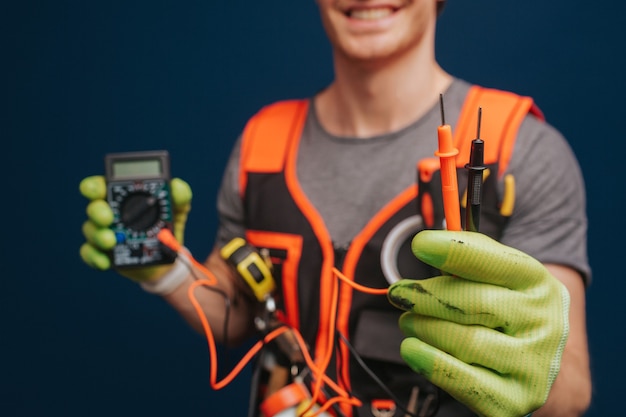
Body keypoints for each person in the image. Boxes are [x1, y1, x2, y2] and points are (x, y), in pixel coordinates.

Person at [79, 1, 592, 416]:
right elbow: (238, 318)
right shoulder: (263, 142)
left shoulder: (521, 147)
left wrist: (536, 367)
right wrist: (165, 269)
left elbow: (569, 389)